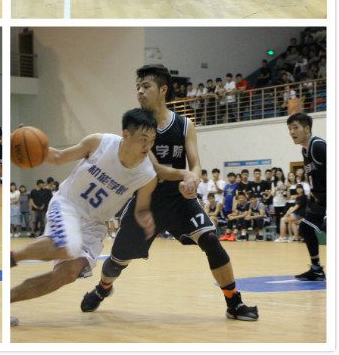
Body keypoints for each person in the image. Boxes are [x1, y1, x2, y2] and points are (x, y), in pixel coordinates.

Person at [80, 64, 258, 321]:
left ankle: (234, 302)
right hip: (145, 203)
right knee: (117, 261)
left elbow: (195, 164)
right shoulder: (136, 126)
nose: (140, 91)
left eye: (146, 86)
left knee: (210, 239)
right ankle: (102, 288)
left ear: (163, 89)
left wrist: (193, 178)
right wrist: (185, 175)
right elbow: (155, 169)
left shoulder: (185, 125)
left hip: (179, 201)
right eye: (137, 87)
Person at [10, 109, 159, 321]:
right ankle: (11, 258)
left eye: (152, 140)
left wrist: (145, 217)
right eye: (143, 139)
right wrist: (19, 144)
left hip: (95, 225)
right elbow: (58, 157)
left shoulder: (147, 175)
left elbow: (141, 209)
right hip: (68, 204)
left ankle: (5, 301)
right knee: (67, 246)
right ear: (126, 134)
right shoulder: (99, 143)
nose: (148, 146)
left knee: (67, 274)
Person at [287, 113, 326, 279]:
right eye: (290, 129)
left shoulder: (318, 146)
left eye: (295, 128)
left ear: (307, 128)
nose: (292, 132)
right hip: (322, 200)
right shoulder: (305, 150)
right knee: (306, 227)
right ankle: (316, 268)